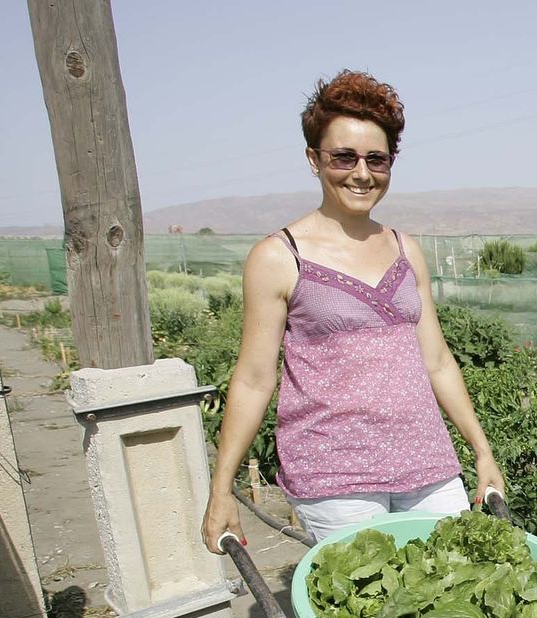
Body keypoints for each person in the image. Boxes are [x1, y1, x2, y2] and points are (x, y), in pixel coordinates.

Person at [201, 70, 504, 550]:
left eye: (377, 159)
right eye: (344, 156)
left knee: (452, 592)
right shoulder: (279, 257)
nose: (361, 173)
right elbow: (254, 379)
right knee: (370, 613)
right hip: (335, 475)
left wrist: (482, 453)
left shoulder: (406, 249)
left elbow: (438, 361)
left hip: (426, 462)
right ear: (313, 159)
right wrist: (222, 490)